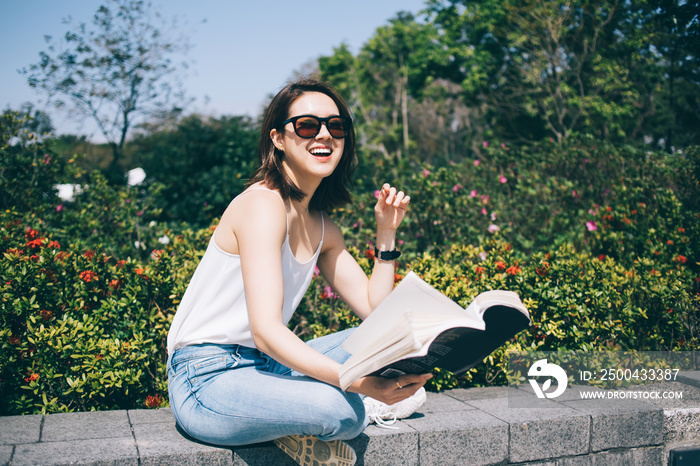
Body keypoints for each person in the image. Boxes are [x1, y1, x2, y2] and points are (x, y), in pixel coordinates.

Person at [166, 78, 431, 466]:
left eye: (336, 126)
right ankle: (340, 411)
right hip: (207, 377)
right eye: (308, 125)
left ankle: (291, 418)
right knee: (340, 411)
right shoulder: (261, 205)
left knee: (385, 348)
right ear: (278, 138)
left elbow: (379, 315)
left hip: (267, 366)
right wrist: (361, 385)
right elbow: (267, 331)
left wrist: (386, 234)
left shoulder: (323, 227)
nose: (324, 134)